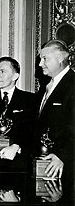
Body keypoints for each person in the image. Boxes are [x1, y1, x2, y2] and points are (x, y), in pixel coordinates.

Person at [0, 57, 36, 171]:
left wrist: (16, 146)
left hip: (18, 164)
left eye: (2, 71)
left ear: (15, 76)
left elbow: (31, 129)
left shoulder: (29, 99)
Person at [34, 40, 75, 179]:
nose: (40, 64)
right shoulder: (45, 86)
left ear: (61, 58)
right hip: (44, 164)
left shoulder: (72, 84)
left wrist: (62, 156)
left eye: (45, 59)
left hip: (64, 167)